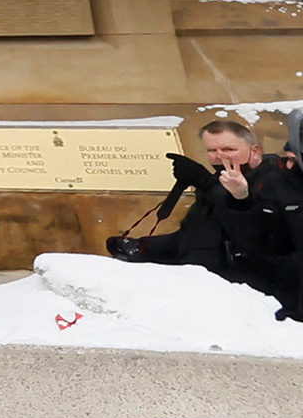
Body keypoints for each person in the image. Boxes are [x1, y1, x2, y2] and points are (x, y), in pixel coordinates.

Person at [117, 109, 303, 323]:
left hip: (260, 297)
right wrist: (145, 247)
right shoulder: (217, 185)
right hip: (211, 288)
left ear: (255, 151)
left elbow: (259, 241)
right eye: (212, 151)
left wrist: (224, 191)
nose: (221, 156)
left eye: (229, 149)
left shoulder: (274, 183)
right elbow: (197, 236)